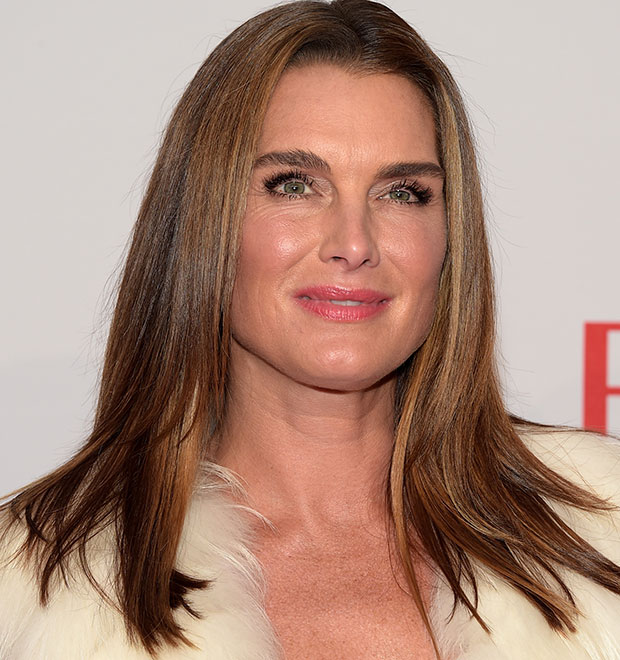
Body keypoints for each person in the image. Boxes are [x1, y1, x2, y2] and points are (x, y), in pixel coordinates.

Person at [1, 1, 620, 658]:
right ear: (204, 219)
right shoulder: (27, 590)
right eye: (294, 185)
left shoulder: (603, 532)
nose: (354, 243)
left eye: (402, 192)